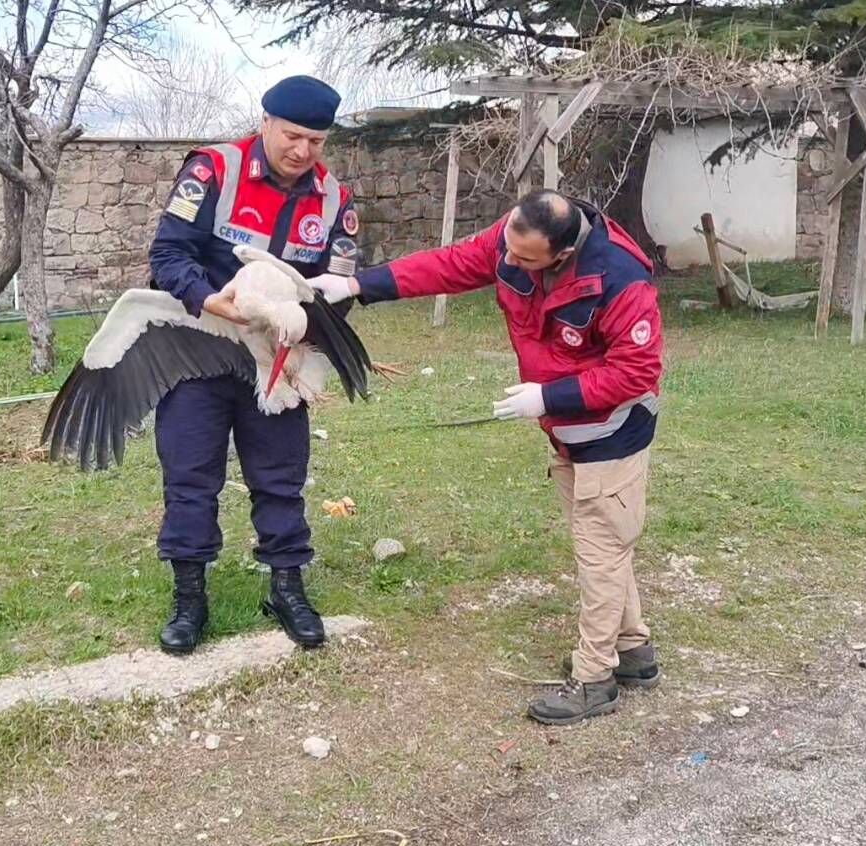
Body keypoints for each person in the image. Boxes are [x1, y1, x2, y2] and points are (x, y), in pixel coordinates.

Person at [307, 189, 664, 725]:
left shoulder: (620, 278)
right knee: (606, 546)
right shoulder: (515, 236)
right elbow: (451, 265)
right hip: (565, 430)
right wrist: (358, 284)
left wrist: (549, 396)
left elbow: (637, 371)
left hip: (611, 432)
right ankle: (634, 651)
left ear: (563, 254)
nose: (509, 261)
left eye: (524, 259)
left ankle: (595, 681)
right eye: (509, 249)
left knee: (601, 552)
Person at [146, 75, 362, 654]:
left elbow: (337, 287)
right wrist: (206, 297)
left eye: (317, 141)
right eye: (292, 136)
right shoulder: (214, 171)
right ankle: (190, 597)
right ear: (265, 122)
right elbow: (167, 254)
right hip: (199, 346)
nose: (303, 152)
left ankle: (286, 586)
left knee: (281, 474)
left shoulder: (334, 201)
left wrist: (309, 350)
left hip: (273, 358)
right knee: (190, 474)